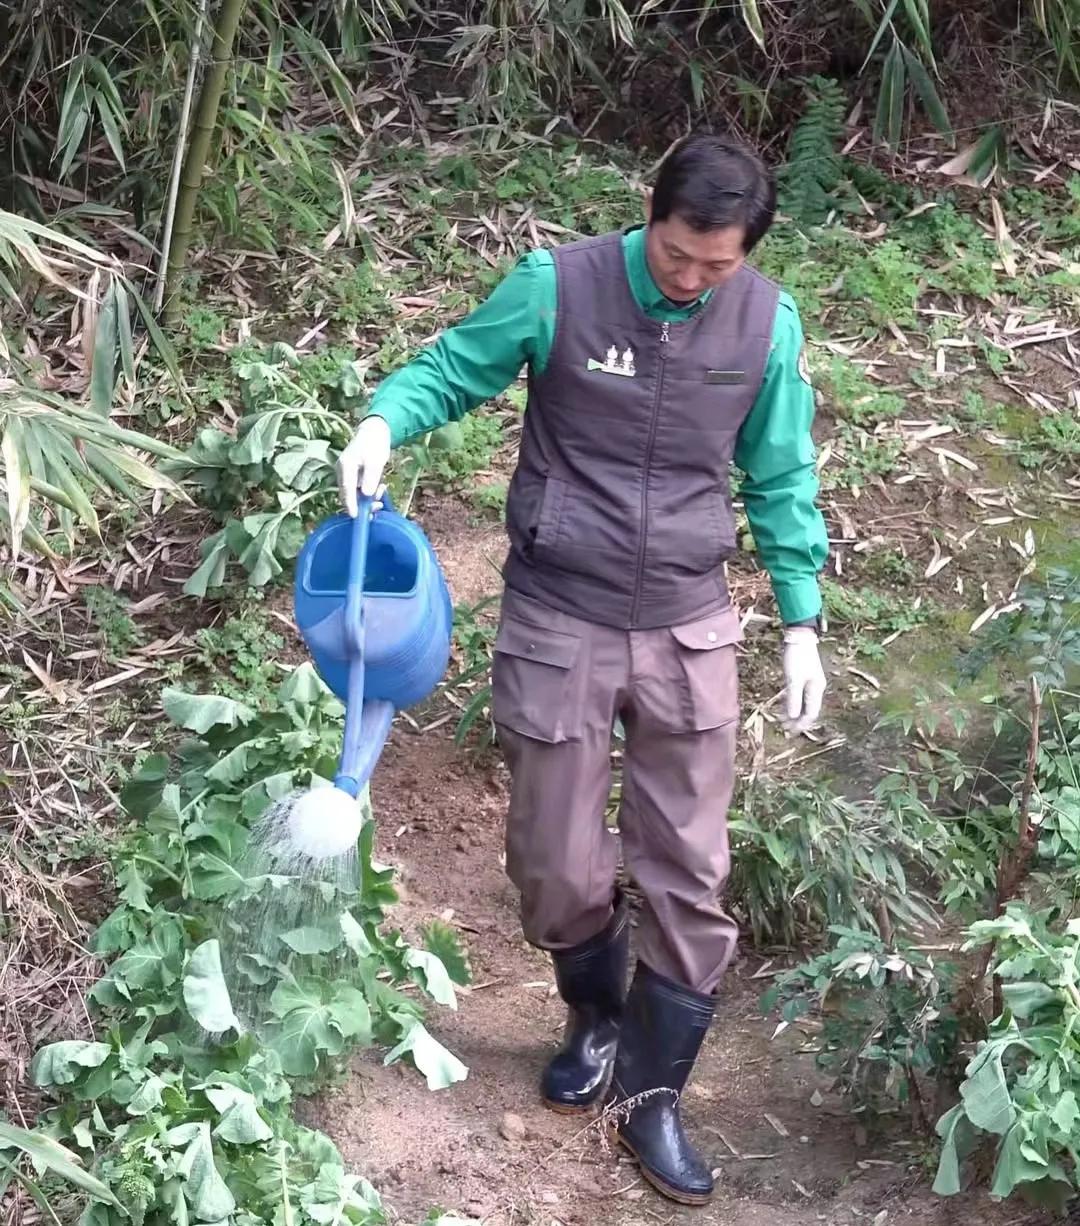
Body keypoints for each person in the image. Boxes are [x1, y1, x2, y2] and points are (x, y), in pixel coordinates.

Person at [336, 134, 829, 1206]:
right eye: (676, 254)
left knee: (689, 868)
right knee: (555, 863)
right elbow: (452, 366)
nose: (691, 280)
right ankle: (595, 1012)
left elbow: (783, 472)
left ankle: (653, 1094)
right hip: (561, 613)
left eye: (717, 265)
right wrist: (383, 417)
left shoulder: (765, 323)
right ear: (646, 216)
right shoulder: (556, 286)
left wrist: (801, 619)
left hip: (689, 626)